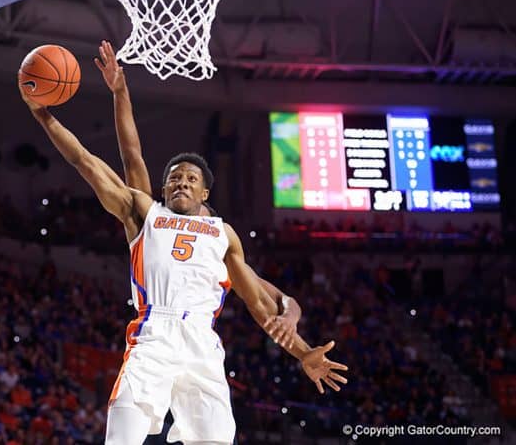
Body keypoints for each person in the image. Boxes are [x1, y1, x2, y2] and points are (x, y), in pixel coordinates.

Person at [19, 52, 343, 445]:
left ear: (205, 191)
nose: (181, 183)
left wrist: (303, 351)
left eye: (190, 178)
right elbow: (94, 159)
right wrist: (50, 112)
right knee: (122, 434)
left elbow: (262, 304)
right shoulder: (145, 213)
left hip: (201, 342)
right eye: (174, 178)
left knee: (216, 440)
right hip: (154, 332)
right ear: (165, 188)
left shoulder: (222, 234)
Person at [95, 38, 348, 395]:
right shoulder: (154, 220)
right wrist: (120, 92)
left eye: (203, 216)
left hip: (196, 349)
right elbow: (131, 155)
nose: (197, 221)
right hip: (154, 339)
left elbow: (280, 302)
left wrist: (291, 322)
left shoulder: (220, 250)